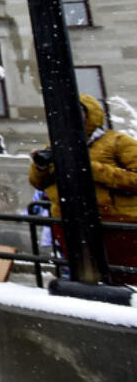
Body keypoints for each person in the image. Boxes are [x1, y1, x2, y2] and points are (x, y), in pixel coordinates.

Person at [30, 93, 137, 284]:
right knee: (84, 277)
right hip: (68, 221)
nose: (68, 116)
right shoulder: (55, 145)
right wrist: (40, 168)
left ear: (91, 114)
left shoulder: (118, 141)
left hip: (115, 223)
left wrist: (90, 167)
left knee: (125, 277)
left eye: (77, 111)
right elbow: (38, 183)